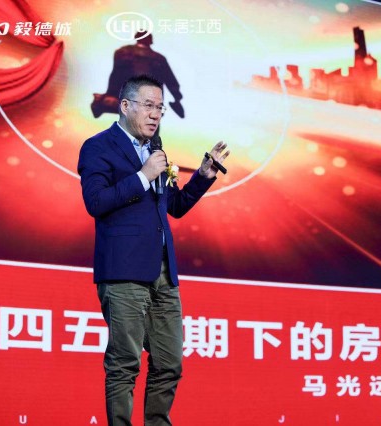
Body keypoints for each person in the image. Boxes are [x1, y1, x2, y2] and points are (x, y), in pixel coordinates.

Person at [78, 74, 229, 425]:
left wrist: (203, 176)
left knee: (169, 363)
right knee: (124, 363)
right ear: (125, 105)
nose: (156, 114)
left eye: (160, 108)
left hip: (163, 273)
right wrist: (143, 175)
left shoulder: (156, 152)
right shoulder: (98, 147)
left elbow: (174, 206)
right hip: (124, 271)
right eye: (148, 105)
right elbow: (96, 202)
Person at [92, 31, 184, 119]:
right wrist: (177, 98)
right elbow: (172, 82)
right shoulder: (159, 59)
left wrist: (109, 95)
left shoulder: (122, 52)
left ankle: (102, 104)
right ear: (151, 41)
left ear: (137, 38)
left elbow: (115, 76)